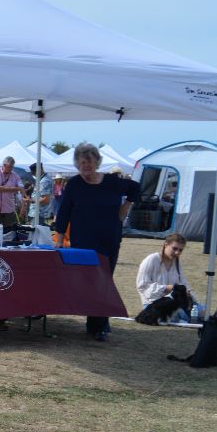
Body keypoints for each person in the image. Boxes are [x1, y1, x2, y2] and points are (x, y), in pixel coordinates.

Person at [54, 142, 141, 341]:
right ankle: (95, 323)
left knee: (104, 281)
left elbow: (136, 188)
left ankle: (100, 325)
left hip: (108, 238)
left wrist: (126, 206)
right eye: (82, 162)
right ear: (77, 164)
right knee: (88, 282)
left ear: (97, 162)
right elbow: (64, 212)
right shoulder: (74, 184)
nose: (86, 166)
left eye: (89, 162)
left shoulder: (112, 181)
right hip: (82, 241)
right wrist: (59, 239)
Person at [136, 234, 193, 322]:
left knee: (199, 312)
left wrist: (187, 292)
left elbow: (183, 283)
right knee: (183, 318)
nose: (177, 253)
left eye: (180, 250)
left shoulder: (177, 263)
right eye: (174, 248)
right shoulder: (151, 260)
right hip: (153, 305)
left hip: (172, 303)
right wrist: (166, 288)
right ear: (166, 245)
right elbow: (142, 286)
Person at [0, 156, 25, 231]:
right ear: (4, 165)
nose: (11, 169)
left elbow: (22, 189)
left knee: (10, 232)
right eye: (10, 167)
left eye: (12, 167)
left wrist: (23, 206)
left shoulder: (15, 175)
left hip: (9, 210)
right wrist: (15, 189)